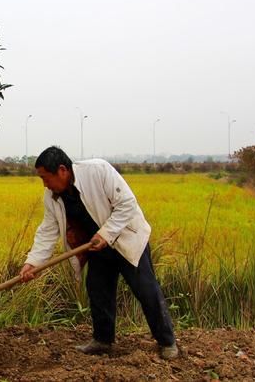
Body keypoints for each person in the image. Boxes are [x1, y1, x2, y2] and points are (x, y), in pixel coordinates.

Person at [19, 146, 178, 359]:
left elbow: (127, 205)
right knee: (97, 290)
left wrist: (107, 233)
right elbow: (48, 231)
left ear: (62, 170)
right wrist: (33, 263)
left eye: (46, 178)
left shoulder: (98, 171)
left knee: (146, 290)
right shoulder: (52, 197)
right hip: (96, 247)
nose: (44, 184)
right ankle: (103, 341)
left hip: (125, 239)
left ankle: (167, 342)